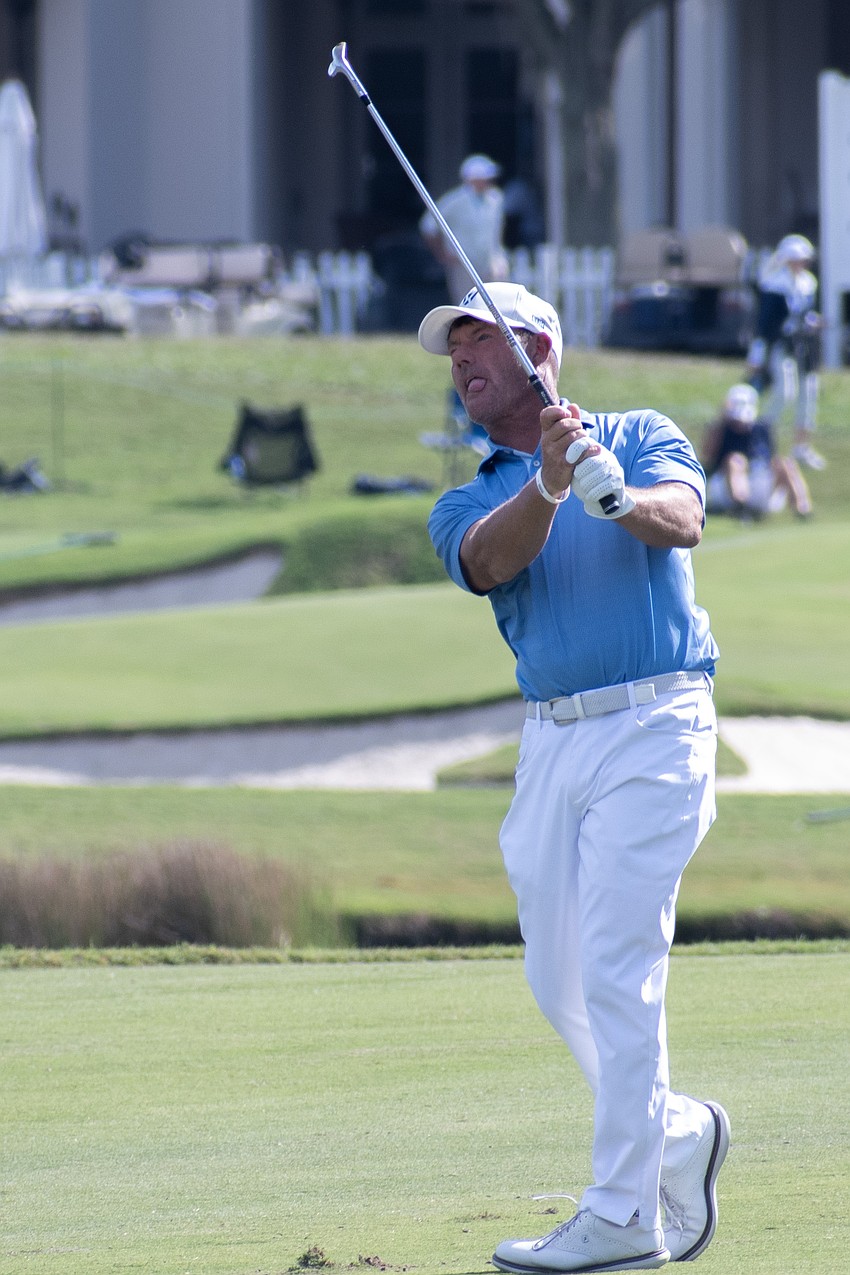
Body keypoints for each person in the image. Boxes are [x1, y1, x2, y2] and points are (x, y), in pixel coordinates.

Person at [419, 282, 730, 1274]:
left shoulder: (638, 431)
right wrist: (551, 487)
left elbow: (680, 522)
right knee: (558, 978)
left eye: (478, 343)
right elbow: (487, 561)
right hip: (551, 743)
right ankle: (677, 1134)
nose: (461, 363)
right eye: (452, 350)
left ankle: (622, 1217)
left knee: (613, 964)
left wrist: (614, 493)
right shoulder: (467, 494)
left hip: (655, 723)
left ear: (537, 348)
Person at [746, 233, 825, 470]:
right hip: (783, 344)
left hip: (804, 344)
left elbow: (805, 312)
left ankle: (802, 447)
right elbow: (766, 323)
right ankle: (759, 436)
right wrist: (757, 355)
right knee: (785, 392)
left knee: (808, 394)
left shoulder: (808, 282)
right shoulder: (775, 284)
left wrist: (813, 322)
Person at [703, 383, 812, 520]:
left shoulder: (762, 428)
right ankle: (741, 508)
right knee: (736, 460)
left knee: (785, 463)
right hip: (726, 488)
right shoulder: (721, 430)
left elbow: (772, 459)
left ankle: (802, 510)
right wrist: (720, 422)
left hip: (761, 484)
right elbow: (707, 458)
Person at [419, 154, 509, 303]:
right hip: (463, 262)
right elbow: (428, 225)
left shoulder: (495, 198)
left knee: (497, 301)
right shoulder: (455, 200)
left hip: (491, 261)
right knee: (467, 303)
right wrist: (443, 253)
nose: (488, 182)